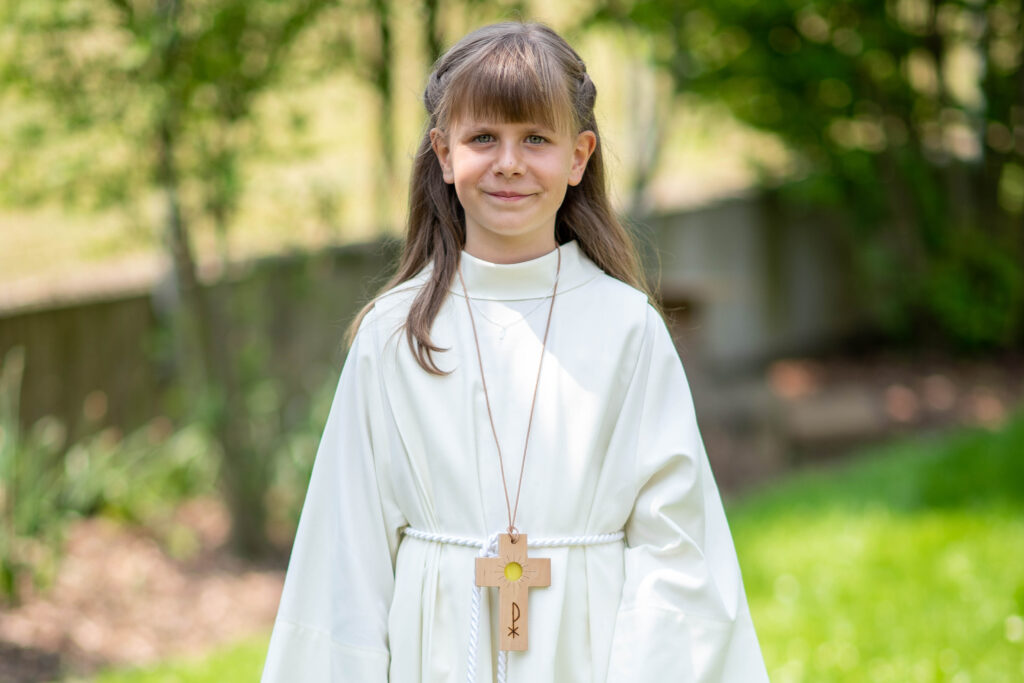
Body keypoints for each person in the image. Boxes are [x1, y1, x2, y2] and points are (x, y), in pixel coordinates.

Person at [261, 21, 769, 683]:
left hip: (590, 654)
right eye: (483, 138)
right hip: (440, 652)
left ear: (579, 156)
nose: (508, 162)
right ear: (444, 154)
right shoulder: (394, 335)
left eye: (535, 138)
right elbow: (343, 556)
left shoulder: (626, 328)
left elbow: (676, 549)